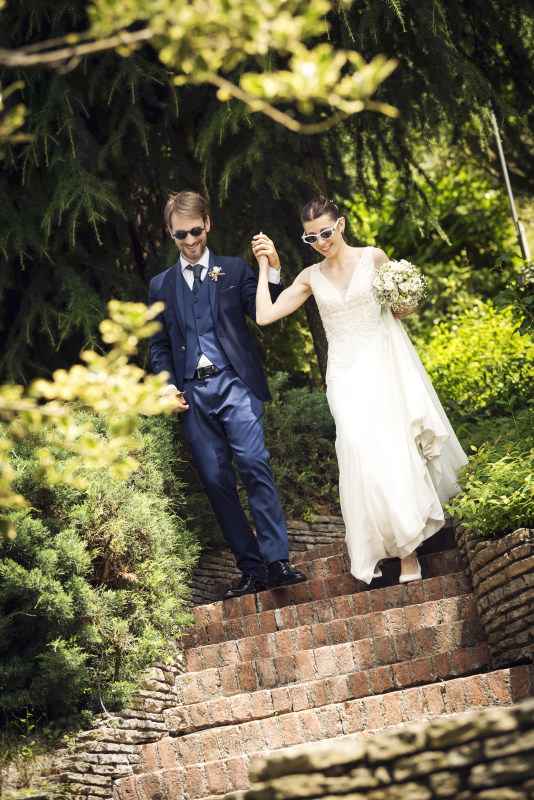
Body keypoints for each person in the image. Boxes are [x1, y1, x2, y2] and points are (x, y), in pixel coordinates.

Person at [252, 197, 468, 584]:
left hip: (382, 365)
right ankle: (376, 545)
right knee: (355, 451)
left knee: (391, 455)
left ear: (341, 225)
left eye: (325, 232)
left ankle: (408, 554)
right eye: (311, 237)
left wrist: (405, 297)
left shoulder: (374, 257)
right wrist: (266, 266)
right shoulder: (310, 276)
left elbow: (401, 310)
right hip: (343, 376)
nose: (320, 242)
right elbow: (264, 315)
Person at [148, 191, 306, 599]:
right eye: (180, 234)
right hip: (192, 395)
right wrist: (165, 384)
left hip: (235, 383)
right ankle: (251, 569)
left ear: (207, 224)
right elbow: (159, 344)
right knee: (217, 482)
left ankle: (278, 560)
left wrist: (272, 268)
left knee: (254, 463)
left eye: (195, 231)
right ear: (170, 232)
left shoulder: (234, 269)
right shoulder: (160, 285)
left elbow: (264, 311)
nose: (190, 240)